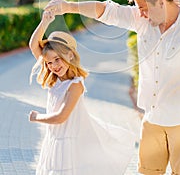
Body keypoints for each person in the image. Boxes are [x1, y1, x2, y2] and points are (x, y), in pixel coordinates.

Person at [45, 0, 180, 175]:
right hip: (152, 118)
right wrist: (69, 6)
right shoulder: (143, 19)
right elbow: (106, 10)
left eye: (142, 8)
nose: (139, 13)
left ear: (160, 3)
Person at [29, 10, 135, 175]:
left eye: (58, 59)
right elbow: (33, 45)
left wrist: (37, 117)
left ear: (70, 55)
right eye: (49, 62)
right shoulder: (55, 79)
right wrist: (44, 22)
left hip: (69, 143)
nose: (54, 66)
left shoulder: (75, 85)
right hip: (53, 140)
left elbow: (61, 117)